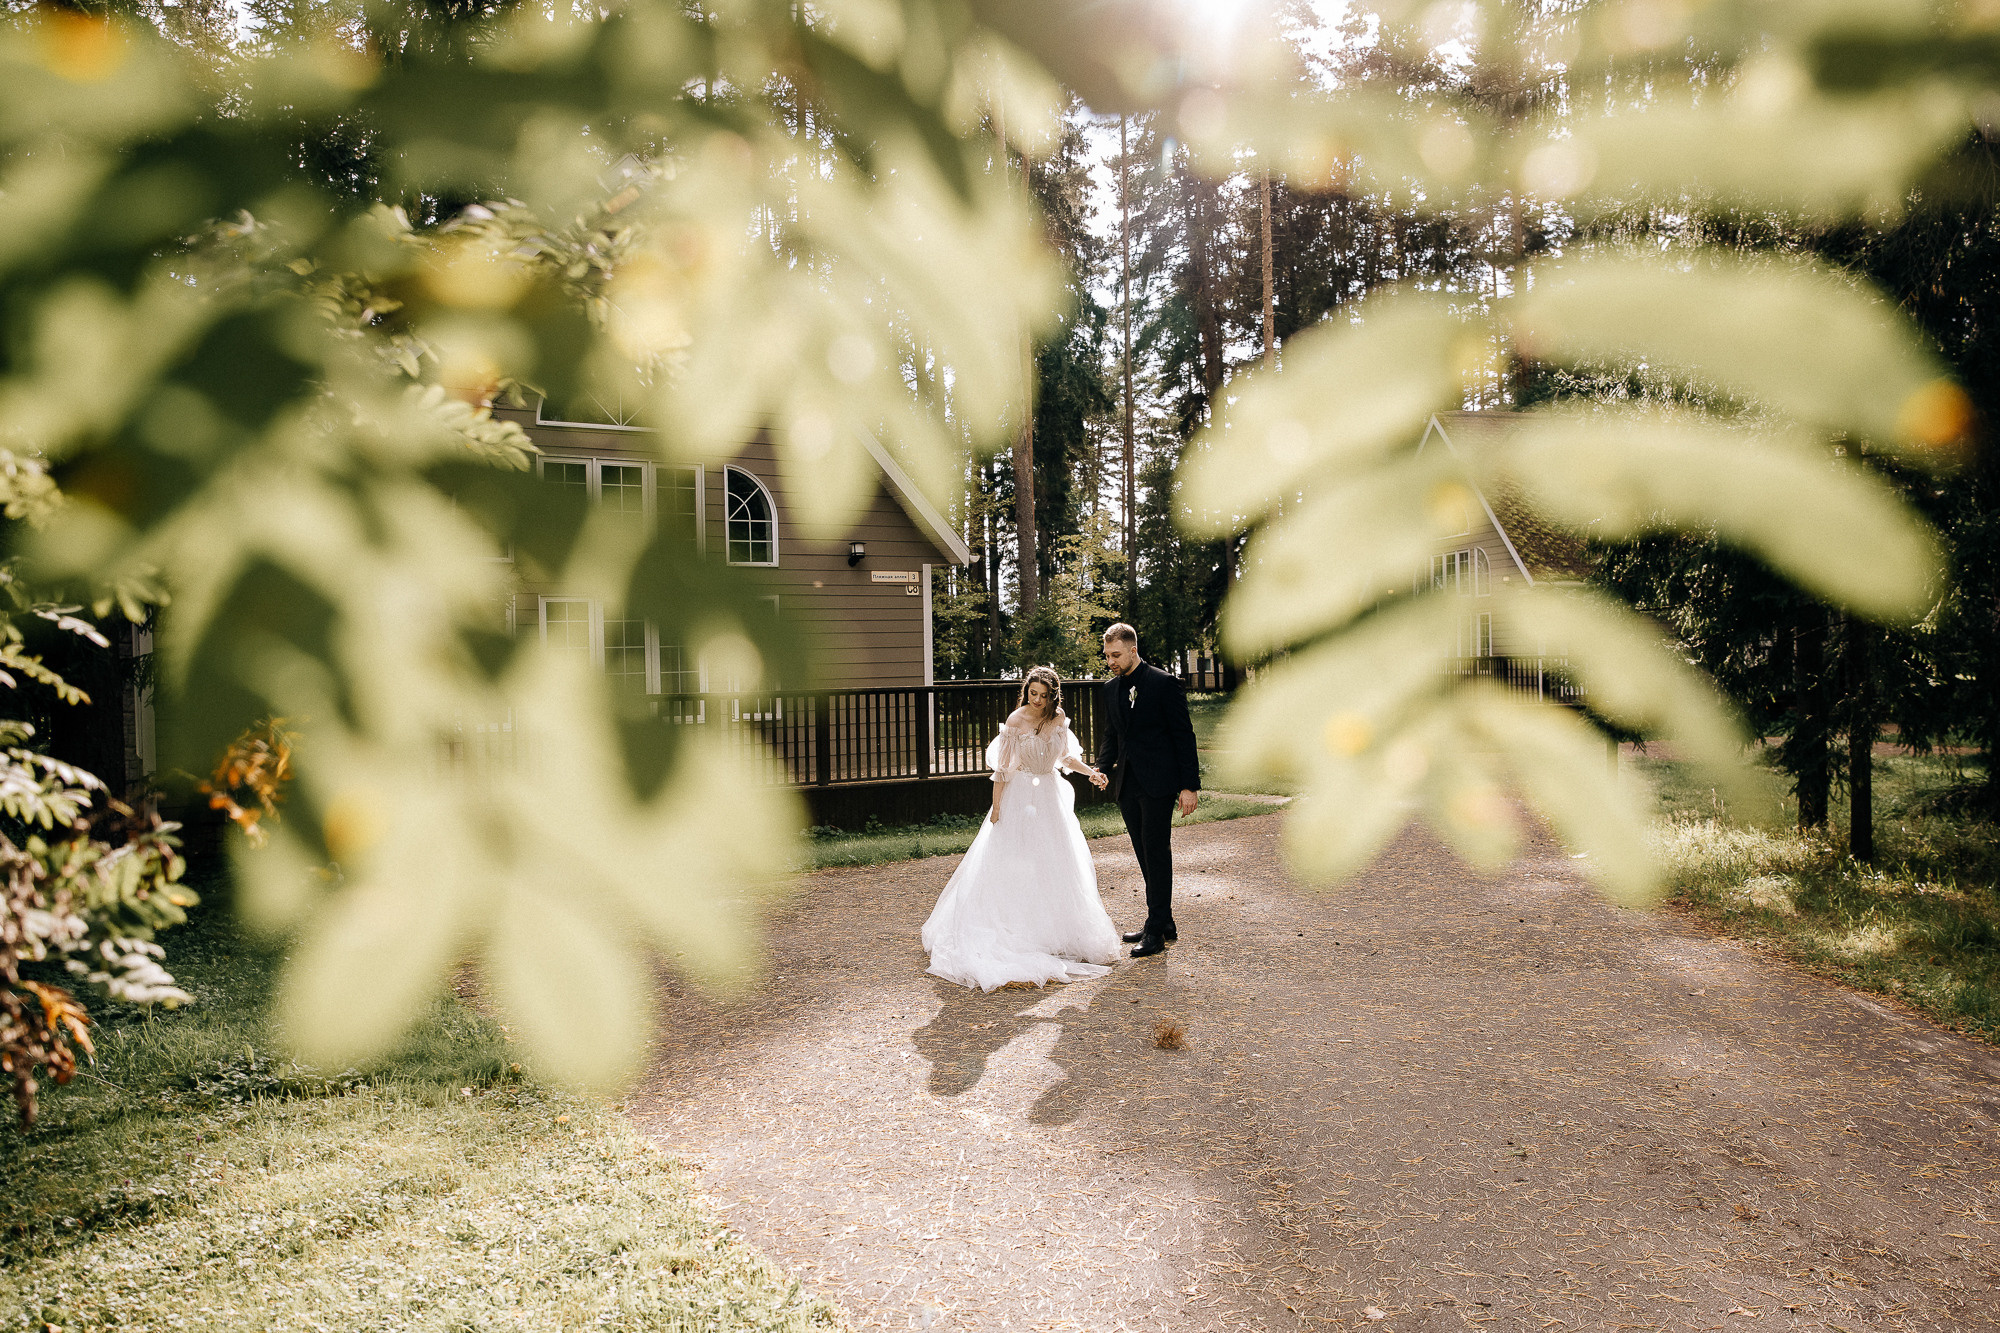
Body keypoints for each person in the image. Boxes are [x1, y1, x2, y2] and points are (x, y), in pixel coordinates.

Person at [921, 666, 1123, 991]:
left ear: (1052, 695)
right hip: (1018, 798)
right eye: (1033, 693)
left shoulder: (1058, 720)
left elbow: (1066, 759)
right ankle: (1014, 930)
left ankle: (1052, 932)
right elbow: (1002, 770)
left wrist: (1092, 773)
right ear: (1026, 690)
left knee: (1054, 863)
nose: (1038, 700)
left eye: (1044, 695)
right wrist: (997, 808)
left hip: (1049, 797)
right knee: (1013, 863)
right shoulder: (1015, 722)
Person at [1093, 623, 1200, 958]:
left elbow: (1184, 735)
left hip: (1158, 783)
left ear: (1133, 649)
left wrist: (1189, 785)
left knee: (1156, 851)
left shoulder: (1164, 683)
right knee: (1143, 851)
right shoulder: (1110, 689)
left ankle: (1155, 930)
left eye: (1116, 654)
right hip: (1127, 783)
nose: (1110, 661)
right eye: (1107, 655)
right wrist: (1100, 767)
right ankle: (1163, 920)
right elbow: (1113, 735)